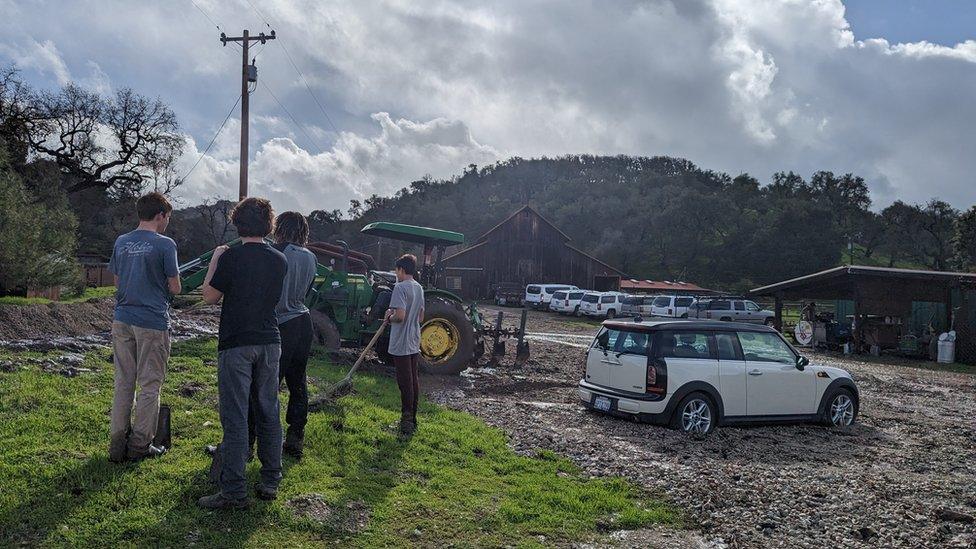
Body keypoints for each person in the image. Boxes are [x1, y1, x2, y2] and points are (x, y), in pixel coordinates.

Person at [197, 197, 287, 510]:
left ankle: (233, 492)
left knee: (235, 418)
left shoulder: (231, 257)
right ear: (269, 225)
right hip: (270, 341)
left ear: (237, 224)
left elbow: (209, 296)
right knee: (268, 410)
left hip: (236, 343)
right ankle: (270, 479)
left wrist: (216, 258)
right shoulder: (280, 259)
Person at [108, 192, 180, 463]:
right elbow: (175, 287)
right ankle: (139, 445)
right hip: (152, 321)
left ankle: (117, 445)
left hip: (122, 318)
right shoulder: (165, 245)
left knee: (124, 381)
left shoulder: (121, 241)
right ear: (160, 215)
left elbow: (117, 281)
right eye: (168, 218)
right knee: (150, 384)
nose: (167, 223)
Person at [247, 211, 317, 459]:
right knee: (298, 382)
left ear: (279, 228)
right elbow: (308, 290)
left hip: (280, 323)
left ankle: (249, 442)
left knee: (264, 385)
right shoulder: (311, 257)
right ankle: (295, 438)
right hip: (303, 322)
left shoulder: (274, 252)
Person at [385, 254, 425, 436]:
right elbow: (421, 317)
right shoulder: (419, 288)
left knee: (404, 381)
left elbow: (400, 317)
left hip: (401, 340)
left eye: (396, 270)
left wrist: (389, 317)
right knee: (413, 379)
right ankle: (413, 417)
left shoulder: (400, 287)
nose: (396, 273)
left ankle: (406, 420)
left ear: (401, 269)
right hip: (414, 339)